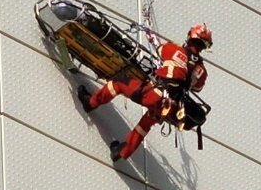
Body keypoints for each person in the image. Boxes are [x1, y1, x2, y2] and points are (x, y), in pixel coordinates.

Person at [80, 25, 212, 162]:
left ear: (190, 36)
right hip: (171, 107)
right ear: (204, 46)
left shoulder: (176, 50)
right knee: (146, 124)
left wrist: (149, 33)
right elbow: (197, 88)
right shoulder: (201, 70)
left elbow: (159, 48)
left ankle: (90, 102)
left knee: (118, 83)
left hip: (156, 94)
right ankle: (122, 152)